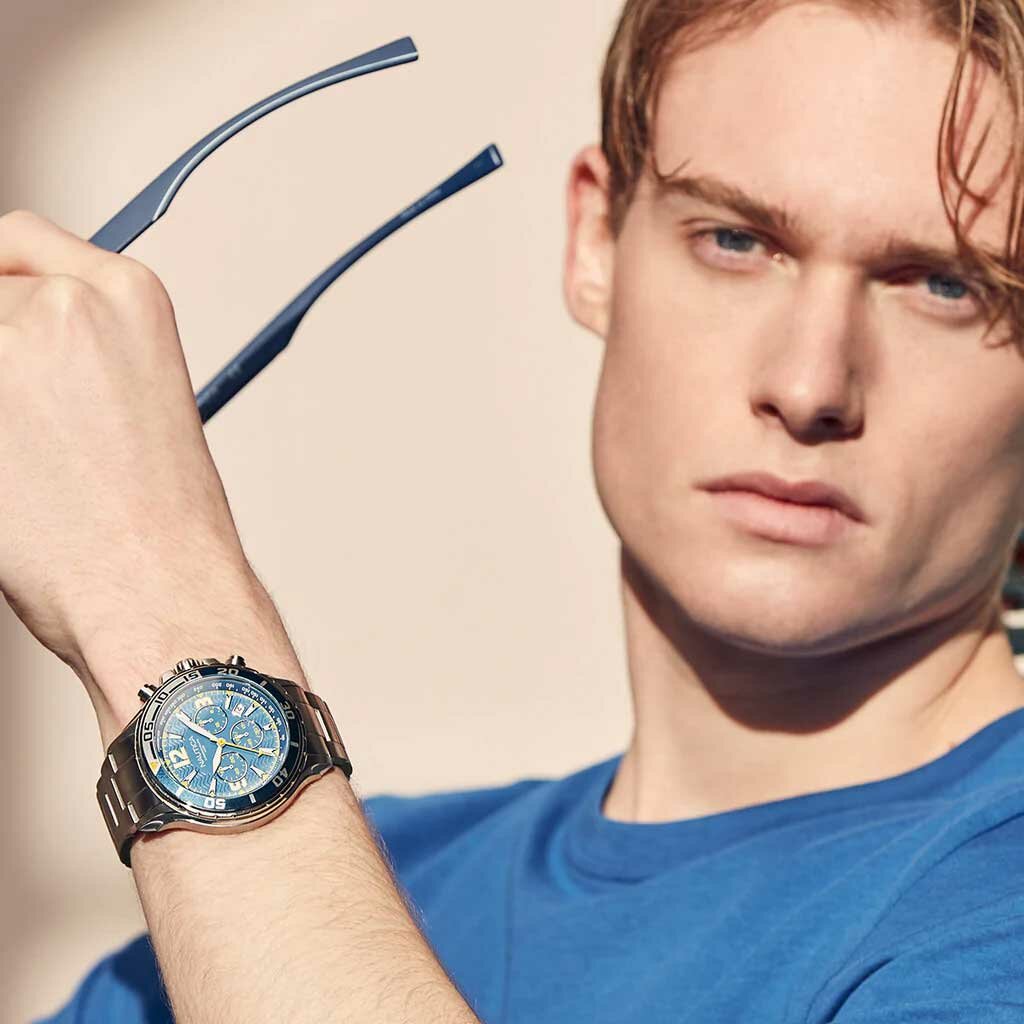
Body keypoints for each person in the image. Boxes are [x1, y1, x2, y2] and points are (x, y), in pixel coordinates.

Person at [20, 0, 1024, 1020]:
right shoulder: (288, 904)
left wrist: (151, 586)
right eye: (734, 239)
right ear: (596, 240)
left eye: (944, 286)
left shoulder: (994, 922)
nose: (808, 385)